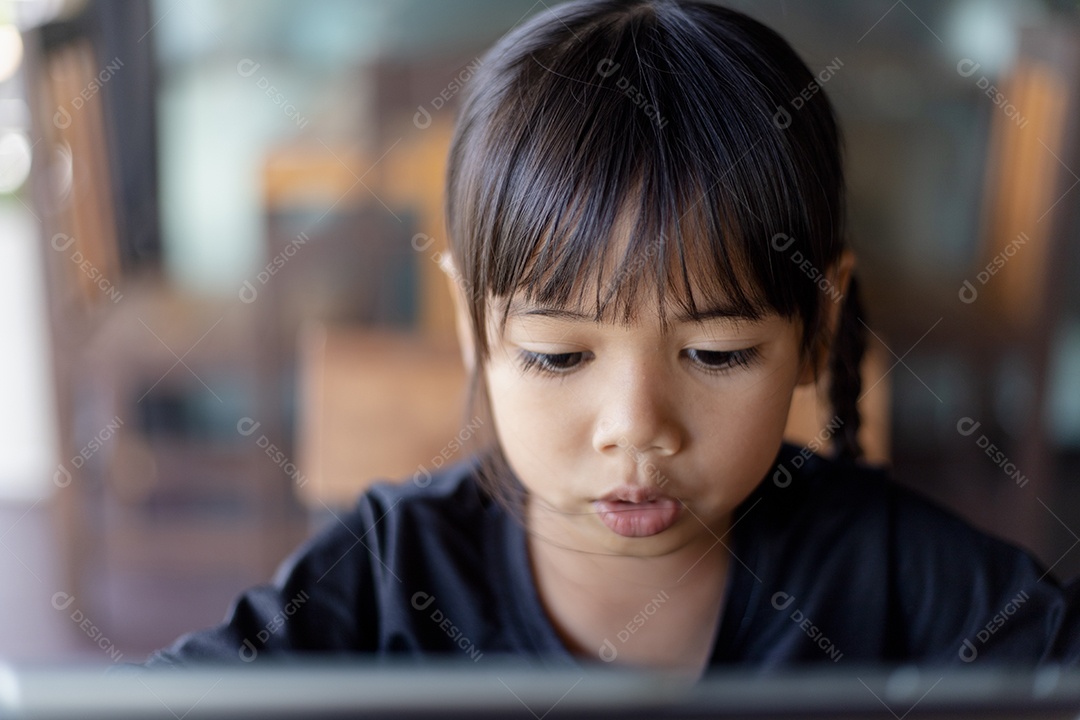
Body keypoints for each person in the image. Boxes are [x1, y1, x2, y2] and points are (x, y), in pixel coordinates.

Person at [143, 0, 1080, 675]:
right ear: (473, 327)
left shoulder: (901, 574)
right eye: (558, 355)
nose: (636, 429)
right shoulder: (391, 578)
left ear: (816, 325)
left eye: (716, 354)